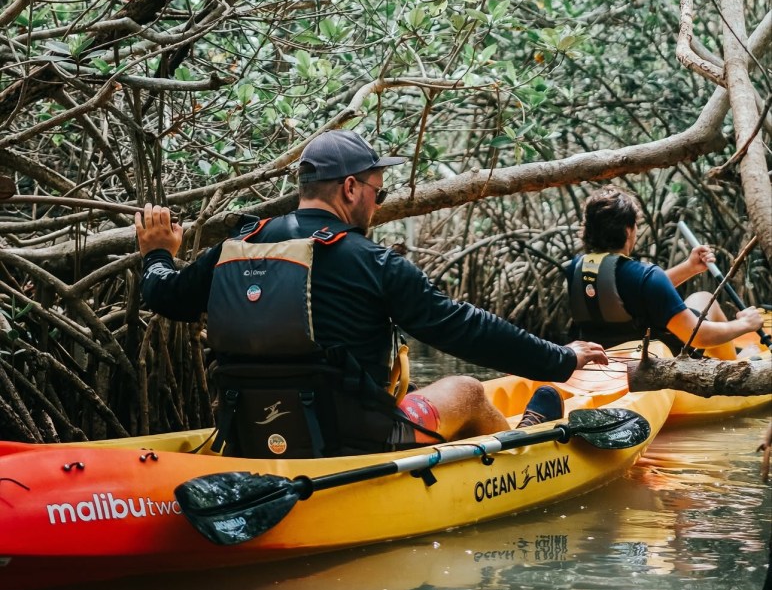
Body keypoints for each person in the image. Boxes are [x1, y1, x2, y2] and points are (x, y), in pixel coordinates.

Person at [135, 130, 607, 458]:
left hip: (251, 433)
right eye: (377, 194)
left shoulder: (235, 248)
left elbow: (165, 295)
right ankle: (523, 447)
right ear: (349, 188)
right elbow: (463, 329)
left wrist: (157, 253)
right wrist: (559, 358)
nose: (377, 207)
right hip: (356, 443)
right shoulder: (372, 262)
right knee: (464, 388)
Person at [566, 186, 764, 358]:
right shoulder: (644, 275)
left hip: (606, 353)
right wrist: (745, 324)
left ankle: (730, 359)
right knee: (705, 301)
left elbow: (636, 292)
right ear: (628, 231)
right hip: (655, 357)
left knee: (702, 297)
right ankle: (731, 365)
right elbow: (697, 336)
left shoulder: (576, 268)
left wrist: (689, 267)